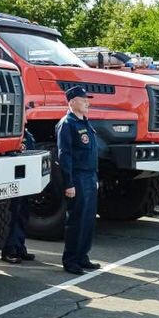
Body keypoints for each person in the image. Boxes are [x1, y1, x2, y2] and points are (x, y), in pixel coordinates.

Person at [56, 86, 101, 275]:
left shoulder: (85, 122)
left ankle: (82, 256)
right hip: (78, 177)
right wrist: (69, 183)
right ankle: (71, 260)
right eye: (83, 100)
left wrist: (95, 177)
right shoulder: (67, 124)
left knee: (88, 219)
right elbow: (64, 155)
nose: (87, 103)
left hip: (89, 177)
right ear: (72, 102)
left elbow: (92, 152)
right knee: (76, 220)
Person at [1, 129, 36, 264]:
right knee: (13, 215)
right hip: (14, 180)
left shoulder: (27, 135)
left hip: (25, 181)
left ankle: (19, 247)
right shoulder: (10, 134)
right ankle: (9, 250)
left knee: (23, 215)